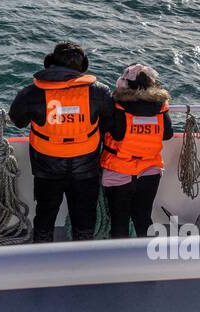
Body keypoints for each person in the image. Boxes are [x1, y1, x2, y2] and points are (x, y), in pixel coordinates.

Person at [8, 42, 120, 242]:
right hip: (86, 166)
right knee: (84, 219)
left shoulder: (32, 92)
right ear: (83, 65)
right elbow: (109, 123)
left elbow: (17, 121)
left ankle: (43, 259)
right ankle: (82, 261)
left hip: (47, 167)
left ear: (51, 62)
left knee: (45, 216)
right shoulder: (99, 92)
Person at [100, 64, 174, 238]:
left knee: (120, 220)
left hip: (119, 169)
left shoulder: (118, 106)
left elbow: (112, 133)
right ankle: (145, 257)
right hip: (150, 170)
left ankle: (121, 259)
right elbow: (167, 134)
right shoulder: (160, 108)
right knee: (142, 217)